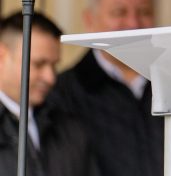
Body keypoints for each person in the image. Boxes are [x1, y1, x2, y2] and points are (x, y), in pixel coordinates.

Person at [49, 0, 163, 176]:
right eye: (119, 12)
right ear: (89, 20)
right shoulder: (62, 93)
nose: (134, 24)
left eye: (144, 12)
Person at [0, 11, 99, 175]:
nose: (50, 78)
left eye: (54, 65)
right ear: (2, 56)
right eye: (39, 64)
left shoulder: (70, 129)